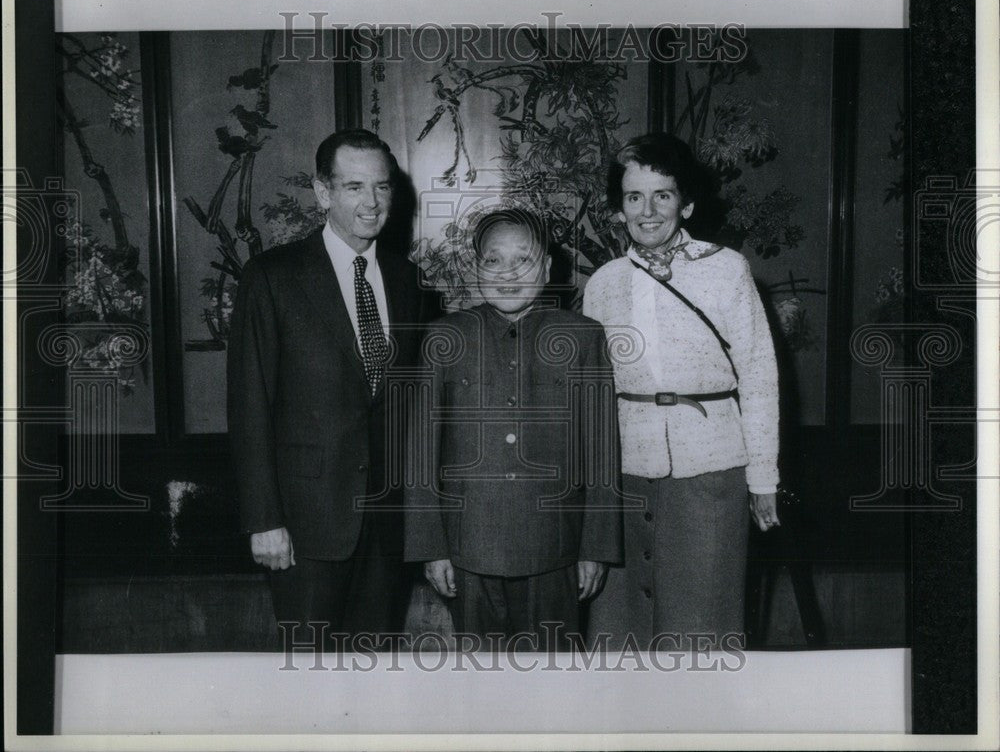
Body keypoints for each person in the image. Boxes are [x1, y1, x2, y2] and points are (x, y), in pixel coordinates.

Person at [227, 128, 429, 647]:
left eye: (382, 187)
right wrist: (263, 520)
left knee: (373, 678)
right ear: (323, 193)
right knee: (311, 685)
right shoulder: (273, 276)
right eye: (354, 187)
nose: (371, 202)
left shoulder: (407, 280)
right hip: (304, 528)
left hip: (386, 529)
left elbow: (407, 407)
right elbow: (250, 405)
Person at [583, 133, 780, 651]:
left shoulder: (727, 269)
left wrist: (763, 476)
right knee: (621, 629)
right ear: (617, 208)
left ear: (685, 202)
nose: (647, 211)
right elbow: (590, 390)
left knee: (701, 628)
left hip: (711, 472)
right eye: (633, 197)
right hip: (624, 472)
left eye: (662, 195)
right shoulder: (602, 283)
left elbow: (758, 375)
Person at [405, 209, 623, 651]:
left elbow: (602, 450)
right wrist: (431, 547)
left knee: (553, 678)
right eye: (493, 260)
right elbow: (420, 452)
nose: (508, 273)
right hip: (470, 547)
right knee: (482, 682)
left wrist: (594, 549)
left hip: (555, 549)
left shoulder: (582, 337)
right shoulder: (444, 337)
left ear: (546, 268)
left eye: (523, 260)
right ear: (475, 268)